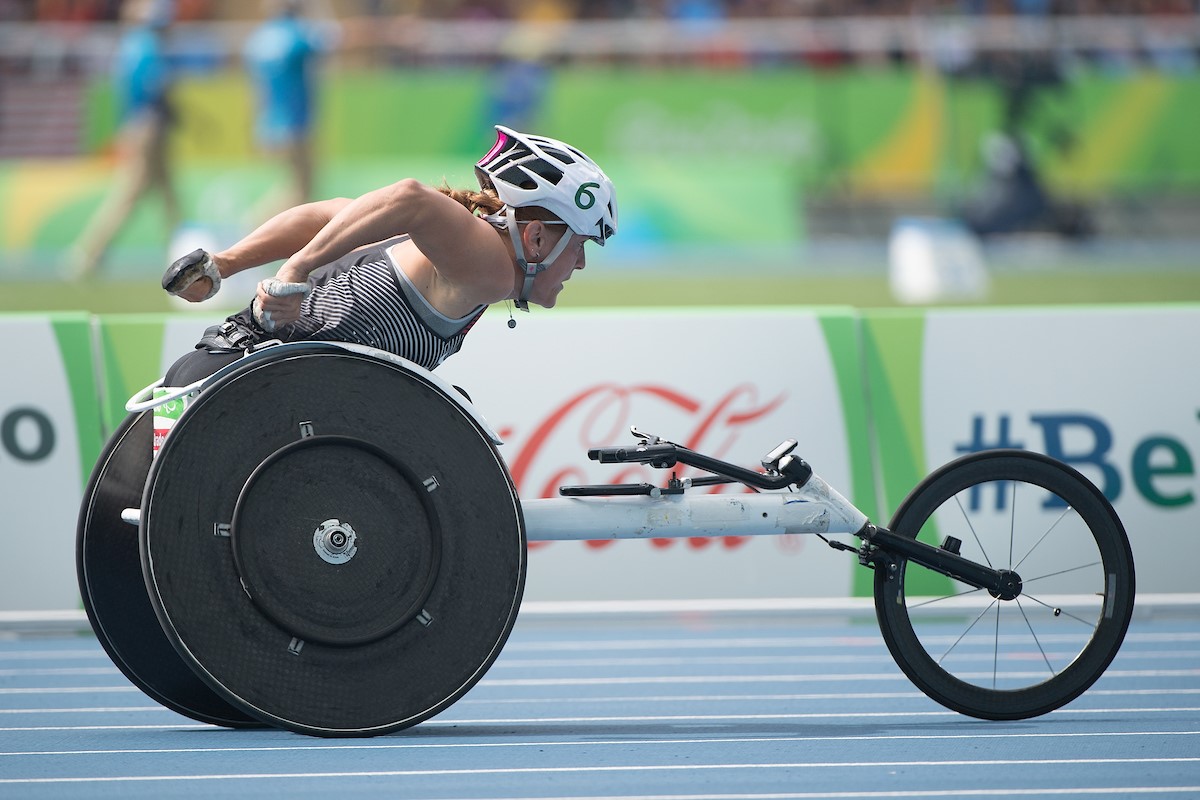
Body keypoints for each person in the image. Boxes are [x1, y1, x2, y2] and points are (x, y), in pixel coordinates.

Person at [160, 125, 617, 386]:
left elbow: (329, 215)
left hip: (216, 369)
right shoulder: (492, 268)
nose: (579, 264)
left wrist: (223, 266)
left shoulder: (455, 253)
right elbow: (409, 197)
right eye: (578, 246)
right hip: (239, 385)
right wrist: (296, 271)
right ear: (536, 238)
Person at [74, 0, 180, 277]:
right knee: (131, 193)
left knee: (169, 194)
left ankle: (182, 254)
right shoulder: (148, 46)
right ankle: (88, 253)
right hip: (149, 128)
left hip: (138, 125)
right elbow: (153, 88)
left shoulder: (131, 44)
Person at [242, 0, 333, 219]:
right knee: (302, 189)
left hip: (267, 124)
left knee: (297, 187)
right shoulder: (298, 37)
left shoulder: (257, 39)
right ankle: (256, 227)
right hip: (295, 123)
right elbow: (330, 41)